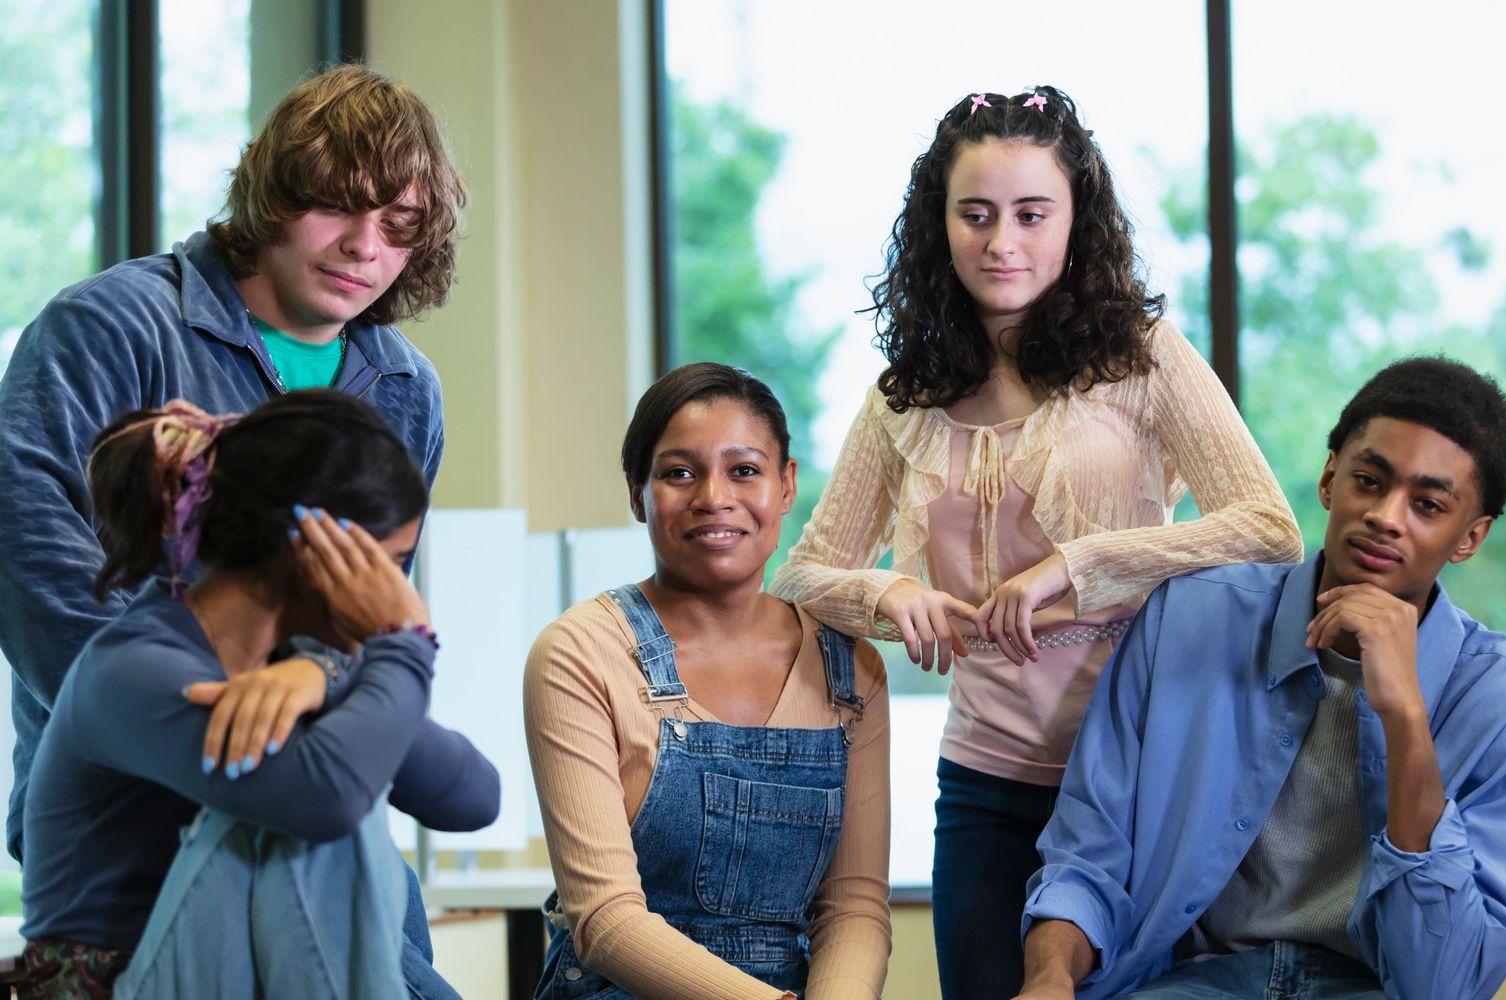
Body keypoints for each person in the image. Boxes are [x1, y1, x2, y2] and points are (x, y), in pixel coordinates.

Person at [768, 86, 1302, 999]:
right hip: (984, 780)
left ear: (1074, 222)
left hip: (1141, 772)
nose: (1000, 241)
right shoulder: (908, 390)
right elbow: (804, 574)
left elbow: (1270, 530)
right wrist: (889, 597)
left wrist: (1082, 564)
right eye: (974, 215)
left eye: (1030, 214)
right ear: (939, 226)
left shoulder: (1143, 355)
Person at [0, 63, 465, 994]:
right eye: (336, 206)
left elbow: (370, 611)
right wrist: (181, 722)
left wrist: (324, 685)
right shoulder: (116, 324)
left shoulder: (409, 387)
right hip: (139, 800)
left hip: (315, 778)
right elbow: (30, 552)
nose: (364, 247)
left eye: (398, 227)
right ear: (270, 188)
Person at [1015, 357, 1506, 1000]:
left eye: (1428, 505)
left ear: (1470, 538)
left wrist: (1405, 715)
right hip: (1192, 982)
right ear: (1331, 478)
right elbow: (1088, 852)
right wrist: (1049, 980)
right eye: (1368, 480)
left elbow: (1444, 983)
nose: (1387, 516)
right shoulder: (1187, 618)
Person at [19, 391, 499, 999]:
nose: (398, 590)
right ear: (311, 555)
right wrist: (404, 643)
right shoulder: (138, 669)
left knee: (334, 771)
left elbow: (475, 799)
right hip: (112, 984)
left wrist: (330, 675)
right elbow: (324, 801)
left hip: (226, 974)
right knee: (318, 806)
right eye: (392, 563)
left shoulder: (291, 663)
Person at [524, 363, 891, 1000]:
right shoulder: (580, 653)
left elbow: (854, 907)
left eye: (744, 470)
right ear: (637, 494)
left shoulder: (851, 669)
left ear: (786, 485)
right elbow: (607, 922)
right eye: (678, 473)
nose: (712, 497)